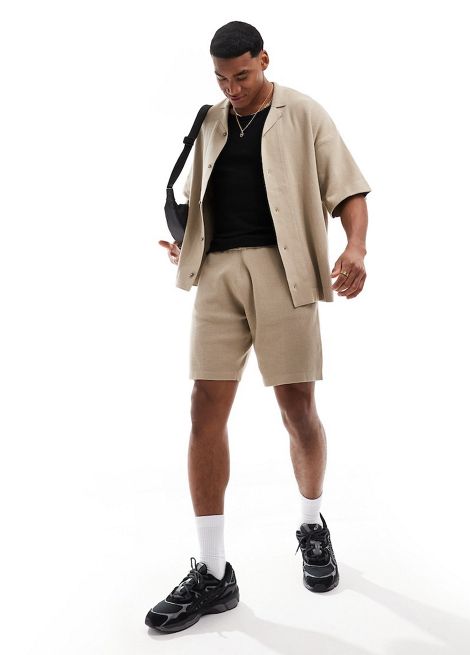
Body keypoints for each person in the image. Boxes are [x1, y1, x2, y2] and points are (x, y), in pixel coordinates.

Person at [146, 20, 371, 634]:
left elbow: (348, 189)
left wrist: (355, 247)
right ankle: (213, 571)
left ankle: (311, 524)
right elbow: (201, 196)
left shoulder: (304, 112)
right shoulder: (211, 120)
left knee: (297, 409)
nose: (232, 88)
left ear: (264, 60)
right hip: (217, 273)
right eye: (221, 78)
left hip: (283, 271)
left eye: (241, 75)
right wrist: (188, 242)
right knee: (204, 408)